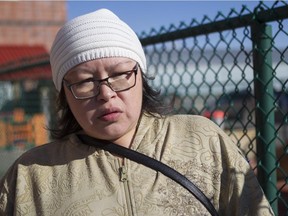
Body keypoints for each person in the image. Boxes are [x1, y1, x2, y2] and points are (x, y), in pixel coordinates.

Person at [0, 8, 274, 216]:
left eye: (120, 74)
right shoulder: (30, 176)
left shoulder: (203, 139)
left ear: (141, 77)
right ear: (64, 93)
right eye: (85, 81)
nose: (106, 93)